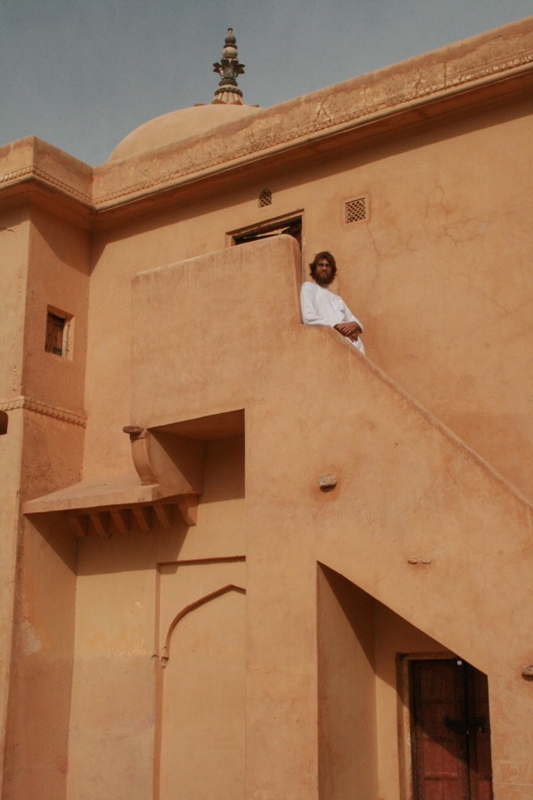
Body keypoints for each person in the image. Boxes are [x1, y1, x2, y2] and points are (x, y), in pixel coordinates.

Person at [300, 251, 365, 354]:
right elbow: (308, 317)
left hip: (354, 348)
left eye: (328, 266)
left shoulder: (337, 299)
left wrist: (355, 325)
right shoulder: (308, 288)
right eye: (321, 265)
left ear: (332, 271)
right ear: (314, 268)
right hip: (330, 347)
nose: (324, 268)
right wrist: (335, 325)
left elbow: (353, 320)